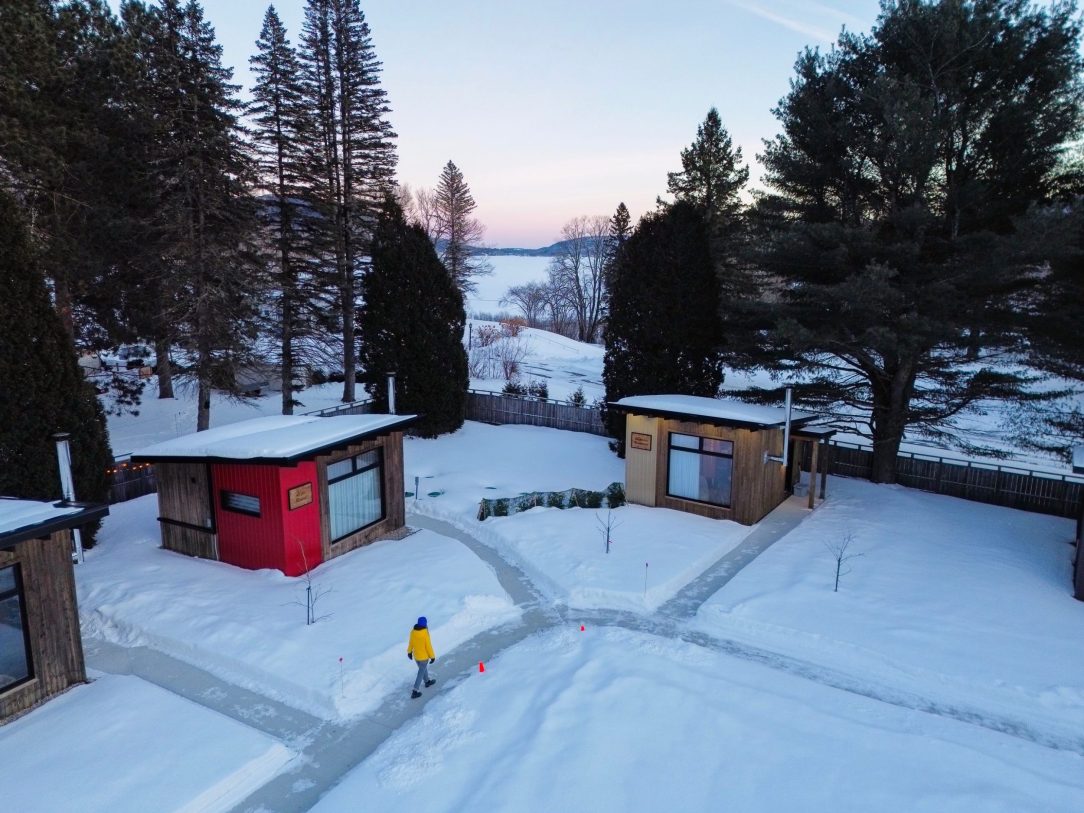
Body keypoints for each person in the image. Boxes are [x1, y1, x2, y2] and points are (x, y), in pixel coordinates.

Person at [407, 616, 436, 699]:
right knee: (420, 673)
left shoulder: (413, 632)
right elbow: (428, 646)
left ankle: (427, 681)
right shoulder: (425, 633)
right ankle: (415, 691)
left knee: (422, 669)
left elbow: (411, 643)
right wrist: (432, 656)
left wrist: (409, 652)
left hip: (416, 656)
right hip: (424, 657)